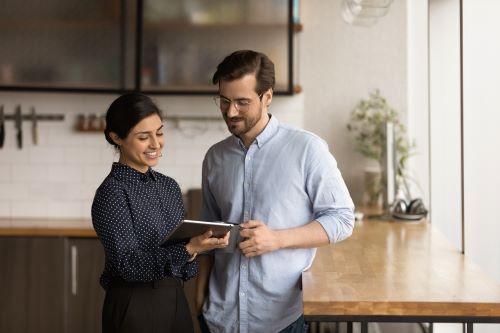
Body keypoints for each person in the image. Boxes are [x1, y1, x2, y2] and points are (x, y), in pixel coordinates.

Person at [196, 50, 355, 333]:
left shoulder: (308, 149)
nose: (231, 112)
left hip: (279, 321)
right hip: (219, 320)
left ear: (267, 96)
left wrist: (277, 239)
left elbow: (342, 219)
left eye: (242, 102)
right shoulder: (215, 157)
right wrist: (199, 303)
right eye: (224, 101)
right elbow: (208, 237)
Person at [91, 92, 229, 333]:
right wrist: (190, 248)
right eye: (144, 137)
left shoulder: (169, 186)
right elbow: (127, 265)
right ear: (117, 138)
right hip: (133, 304)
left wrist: (198, 248)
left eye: (160, 133)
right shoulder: (112, 192)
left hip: (175, 299)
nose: (155, 144)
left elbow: (183, 265)